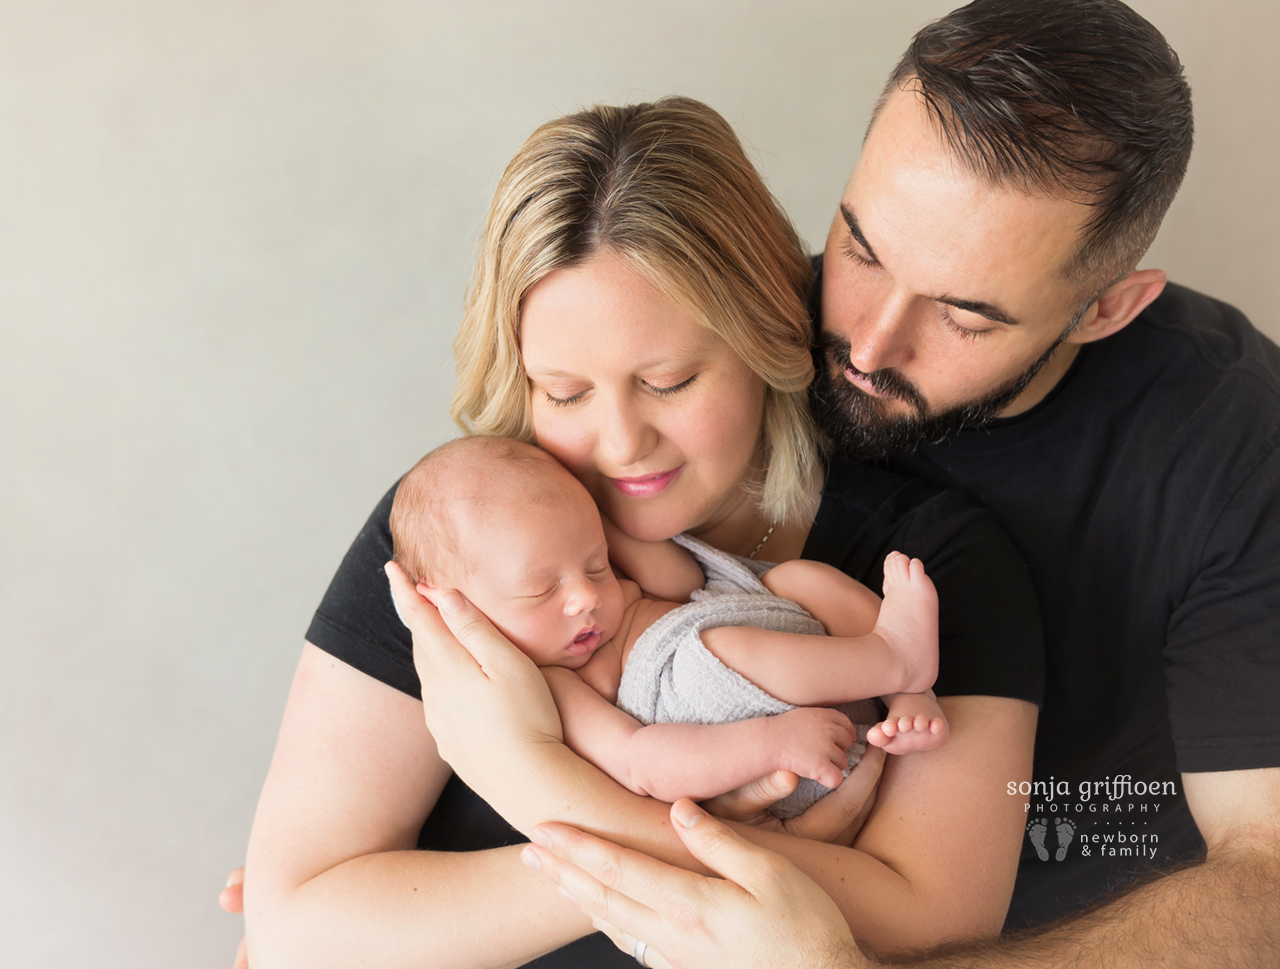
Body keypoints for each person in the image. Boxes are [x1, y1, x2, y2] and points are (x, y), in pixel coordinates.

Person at [515, 0, 1280, 967]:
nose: (866, 345)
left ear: (1103, 310)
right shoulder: (716, 340)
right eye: (860, 249)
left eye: (964, 315)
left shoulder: (1229, 442)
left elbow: (1264, 876)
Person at [231, 95, 1043, 968]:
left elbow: (931, 924)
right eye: (565, 394)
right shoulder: (462, 531)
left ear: (768, 337)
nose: (620, 446)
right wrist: (650, 845)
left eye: (668, 381)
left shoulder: (927, 566)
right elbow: (298, 936)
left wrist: (534, 778)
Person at [388, 436, 948, 812]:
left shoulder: (622, 592)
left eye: (595, 562)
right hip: (744, 736)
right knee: (721, 648)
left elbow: (683, 580)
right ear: (461, 615)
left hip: (757, 634)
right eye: (541, 590)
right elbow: (641, 763)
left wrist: (595, 519)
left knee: (796, 579)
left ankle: (906, 689)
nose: (585, 595)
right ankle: (894, 656)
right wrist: (770, 745)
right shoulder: (554, 684)